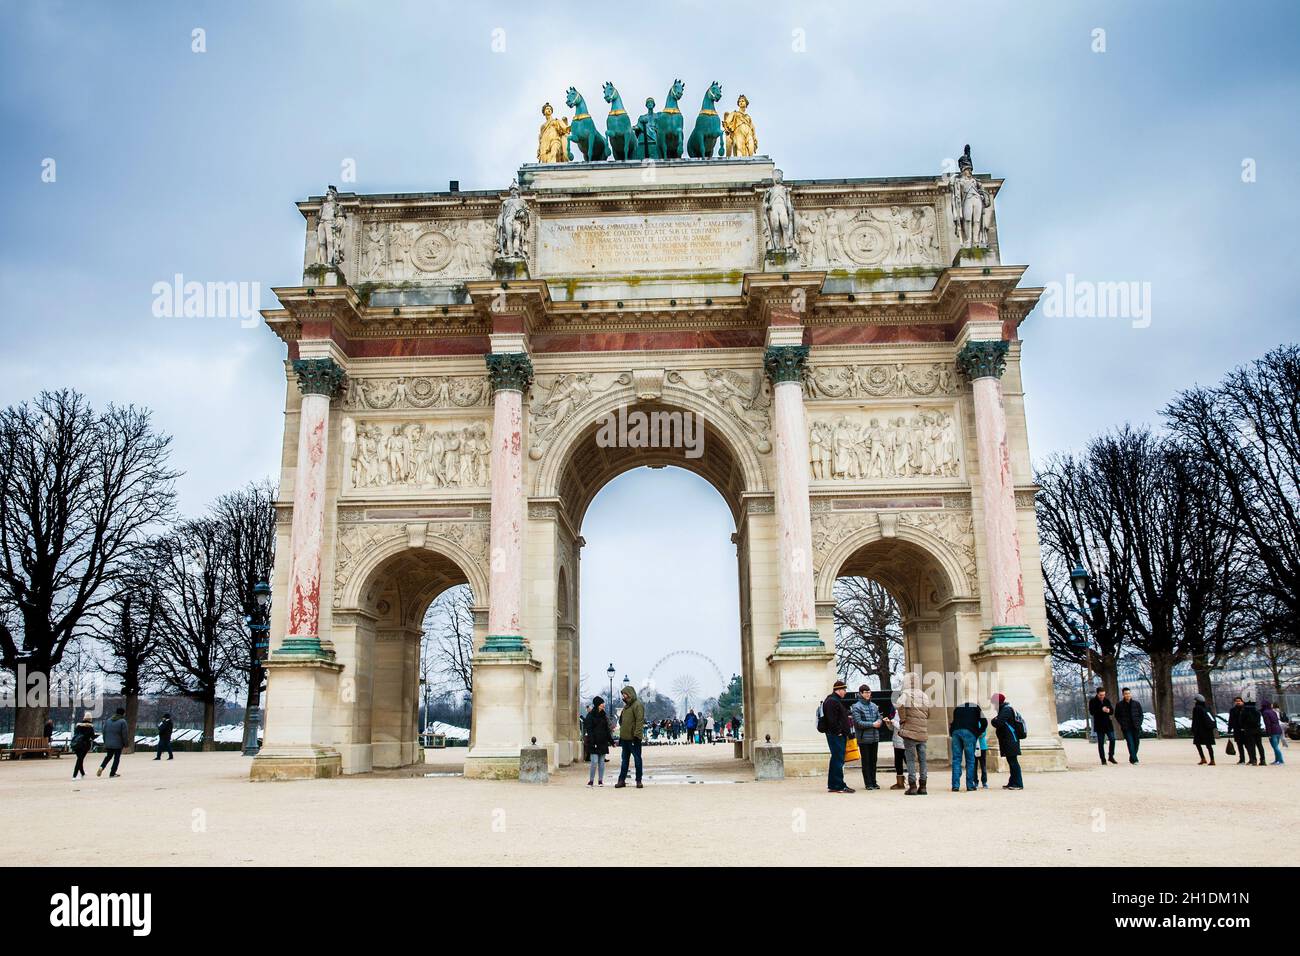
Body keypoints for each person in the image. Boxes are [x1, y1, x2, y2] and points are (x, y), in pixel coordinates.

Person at [895, 673, 930, 796]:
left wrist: (903, 718)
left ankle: (913, 785)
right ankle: (923, 785)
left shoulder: (906, 694)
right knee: (923, 760)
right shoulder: (924, 695)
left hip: (910, 731)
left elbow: (899, 705)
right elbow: (928, 712)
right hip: (922, 731)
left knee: (910, 760)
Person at [821, 680, 854, 794]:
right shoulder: (832, 701)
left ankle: (834, 784)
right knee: (838, 759)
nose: (845, 692)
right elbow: (832, 719)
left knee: (836, 759)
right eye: (844, 690)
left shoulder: (833, 700)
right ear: (839, 690)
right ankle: (838, 784)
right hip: (836, 735)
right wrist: (838, 731)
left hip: (836, 734)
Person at [850, 685, 883, 791]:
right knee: (866, 761)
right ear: (860, 693)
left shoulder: (874, 706)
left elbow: (879, 717)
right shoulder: (856, 706)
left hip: (874, 737)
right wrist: (873, 724)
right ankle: (868, 783)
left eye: (869, 692)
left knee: (874, 760)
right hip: (864, 738)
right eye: (865, 692)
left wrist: (879, 722)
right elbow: (858, 723)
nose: (868, 694)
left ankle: (874, 781)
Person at [948, 700, 986, 792]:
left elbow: (952, 723)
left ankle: (955, 785)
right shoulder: (976, 708)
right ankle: (970, 785)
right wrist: (978, 733)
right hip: (969, 732)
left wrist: (952, 733)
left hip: (956, 733)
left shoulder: (957, 709)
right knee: (970, 760)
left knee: (956, 759)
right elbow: (984, 722)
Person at [991, 693, 1023, 790]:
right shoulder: (1005, 709)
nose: (993, 704)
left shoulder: (1006, 710)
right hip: (1009, 739)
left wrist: (994, 720)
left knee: (1013, 762)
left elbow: (998, 723)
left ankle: (1018, 783)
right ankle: (1013, 782)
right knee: (1011, 761)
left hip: (1010, 740)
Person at [614, 685, 645, 788]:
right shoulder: (626, 707)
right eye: (623, 695)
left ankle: (638, 780)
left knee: (637, 760)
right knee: (624, 760)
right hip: (625, 738)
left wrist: (636, 735)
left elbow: (639, 721)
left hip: (633, 738)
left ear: (630, 694)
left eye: (625, 694)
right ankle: (621, 780)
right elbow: (622, 721)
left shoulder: (637, 705)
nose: (623, 696)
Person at [585, 697, 613, 786]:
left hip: (603, 742)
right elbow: (589, 730)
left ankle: (600, 781)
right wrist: (593, 742)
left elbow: (607, 730)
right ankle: (591, 780)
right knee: (594, 762)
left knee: (601, 763)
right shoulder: (590, 716)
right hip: (594, 742)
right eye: (602, 703)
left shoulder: (604, 715)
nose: (603, 705)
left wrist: (611, 742)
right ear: (598, 704)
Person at [1088, 687, 1117, 766]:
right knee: (1101, 743)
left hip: (1108, 724)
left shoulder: (1106, 700)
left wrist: (1109, 710)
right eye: (1101, 695)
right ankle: (1103, 759)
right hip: (1099, 724)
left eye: (1103, 695)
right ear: (1097, 694)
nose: (1102, 696)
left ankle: (1111, 756)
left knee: (1113, 739)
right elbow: (1092, 712)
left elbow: (1112, 711)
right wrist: (1101, 709)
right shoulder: (1092, 701)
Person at [97, 707, 129, 778]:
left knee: (108, 756)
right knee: (116, 758)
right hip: (118, 744)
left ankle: (102, 767)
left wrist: (105, 742)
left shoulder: (108, 720)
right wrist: (126, 744)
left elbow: (104, 732)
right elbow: (125, 734)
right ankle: (112, 773)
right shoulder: (122, 721)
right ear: (123, 713)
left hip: (108, 743)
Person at [882, 699, 906, 790]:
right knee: (898, 763)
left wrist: (893, 722)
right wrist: (889, 723)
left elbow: (903, 726)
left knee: (908, 761)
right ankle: (900, 783)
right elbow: (893, 729)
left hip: (904, 741)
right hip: (897, 741)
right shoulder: (896, 712)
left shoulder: (905, 712)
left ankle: (913, 782)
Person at [1115, 688, 1143, 764]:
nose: (1128, 695)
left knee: (1136, 743)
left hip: (1135, 726)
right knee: (1130, 743)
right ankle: (1135, 759)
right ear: (1123, 695)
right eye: (1126, 693)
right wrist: (1122, 723)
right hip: (1126, 727)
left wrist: (1139, 723)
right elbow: (1117, 715)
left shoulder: (1136, 704)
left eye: (1129, 693)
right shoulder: (1119, 705)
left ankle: (1132, 757)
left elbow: (1141, 714)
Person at [1239, 696, 1266, 766]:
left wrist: (1243, 727)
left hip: (1248, 729)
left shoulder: (1244, 711)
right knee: (1259, 745)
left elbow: (1241, 721)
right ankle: (1263, 759)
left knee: (1251, 745)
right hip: (1257, 729)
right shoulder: (1257, 711)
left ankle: (1254, 760)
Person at [1191, 694, 1217, 766]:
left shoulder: (1196, 708)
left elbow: (1195, 720)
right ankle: (1212, 759)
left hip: (1199, 729)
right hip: (1208, 729)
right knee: (1209, 745)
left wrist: (1193, 729)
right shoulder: (1207, 708)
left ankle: (1203, 758)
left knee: (1198, 744)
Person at [71, 712, 96, 779]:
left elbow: (76, 734)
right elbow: (92, 736)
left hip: (76, 744)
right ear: (90, 719)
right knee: (80, 760)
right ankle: (74, 775)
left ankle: (82, 773)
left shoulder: (78, 726)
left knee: (80, 759)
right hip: (84, 745)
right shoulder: (90, 727)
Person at [1262, 700, 1285, 765]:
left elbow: (1268, 724)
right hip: (1278, 729)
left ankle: (1280, 760)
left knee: (1275, 747)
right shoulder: (1273, 712)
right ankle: (1277, 760)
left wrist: (1268, 733)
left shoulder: (1265, 712)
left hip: (1273, 731)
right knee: (1276, 746)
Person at [1228, 696, 1246, 763]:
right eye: (1236, 701)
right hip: (1237, 729)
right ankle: (1242, 759)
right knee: (1239, 745)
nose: (1238, 702)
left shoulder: (1245, 709)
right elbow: (1231, 720)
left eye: (1239, 701)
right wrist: (1229, 728)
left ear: (1242, 701)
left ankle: (1251, 758)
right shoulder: (1232, 710)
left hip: (1244, 729)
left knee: (1247, 745)